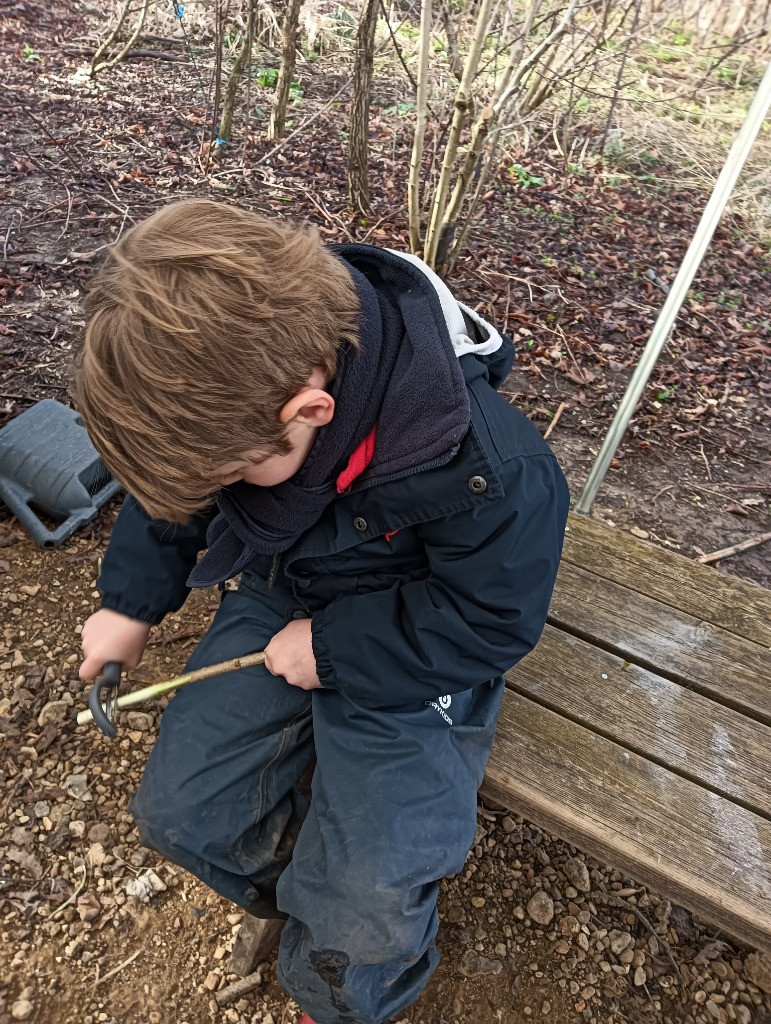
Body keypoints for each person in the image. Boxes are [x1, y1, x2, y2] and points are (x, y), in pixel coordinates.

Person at [74, 198, 569, 1024]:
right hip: (289, 586)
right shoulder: (237, 395)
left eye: (232, 472)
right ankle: (310, 894)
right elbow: (184, 486)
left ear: (308, 413)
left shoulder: (490, 467)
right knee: (181, 815)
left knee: (368, 893)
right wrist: (131, 602)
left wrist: (333, 648)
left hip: (419, 639)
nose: (218, 487)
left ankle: (342, 982)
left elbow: (489, 621)